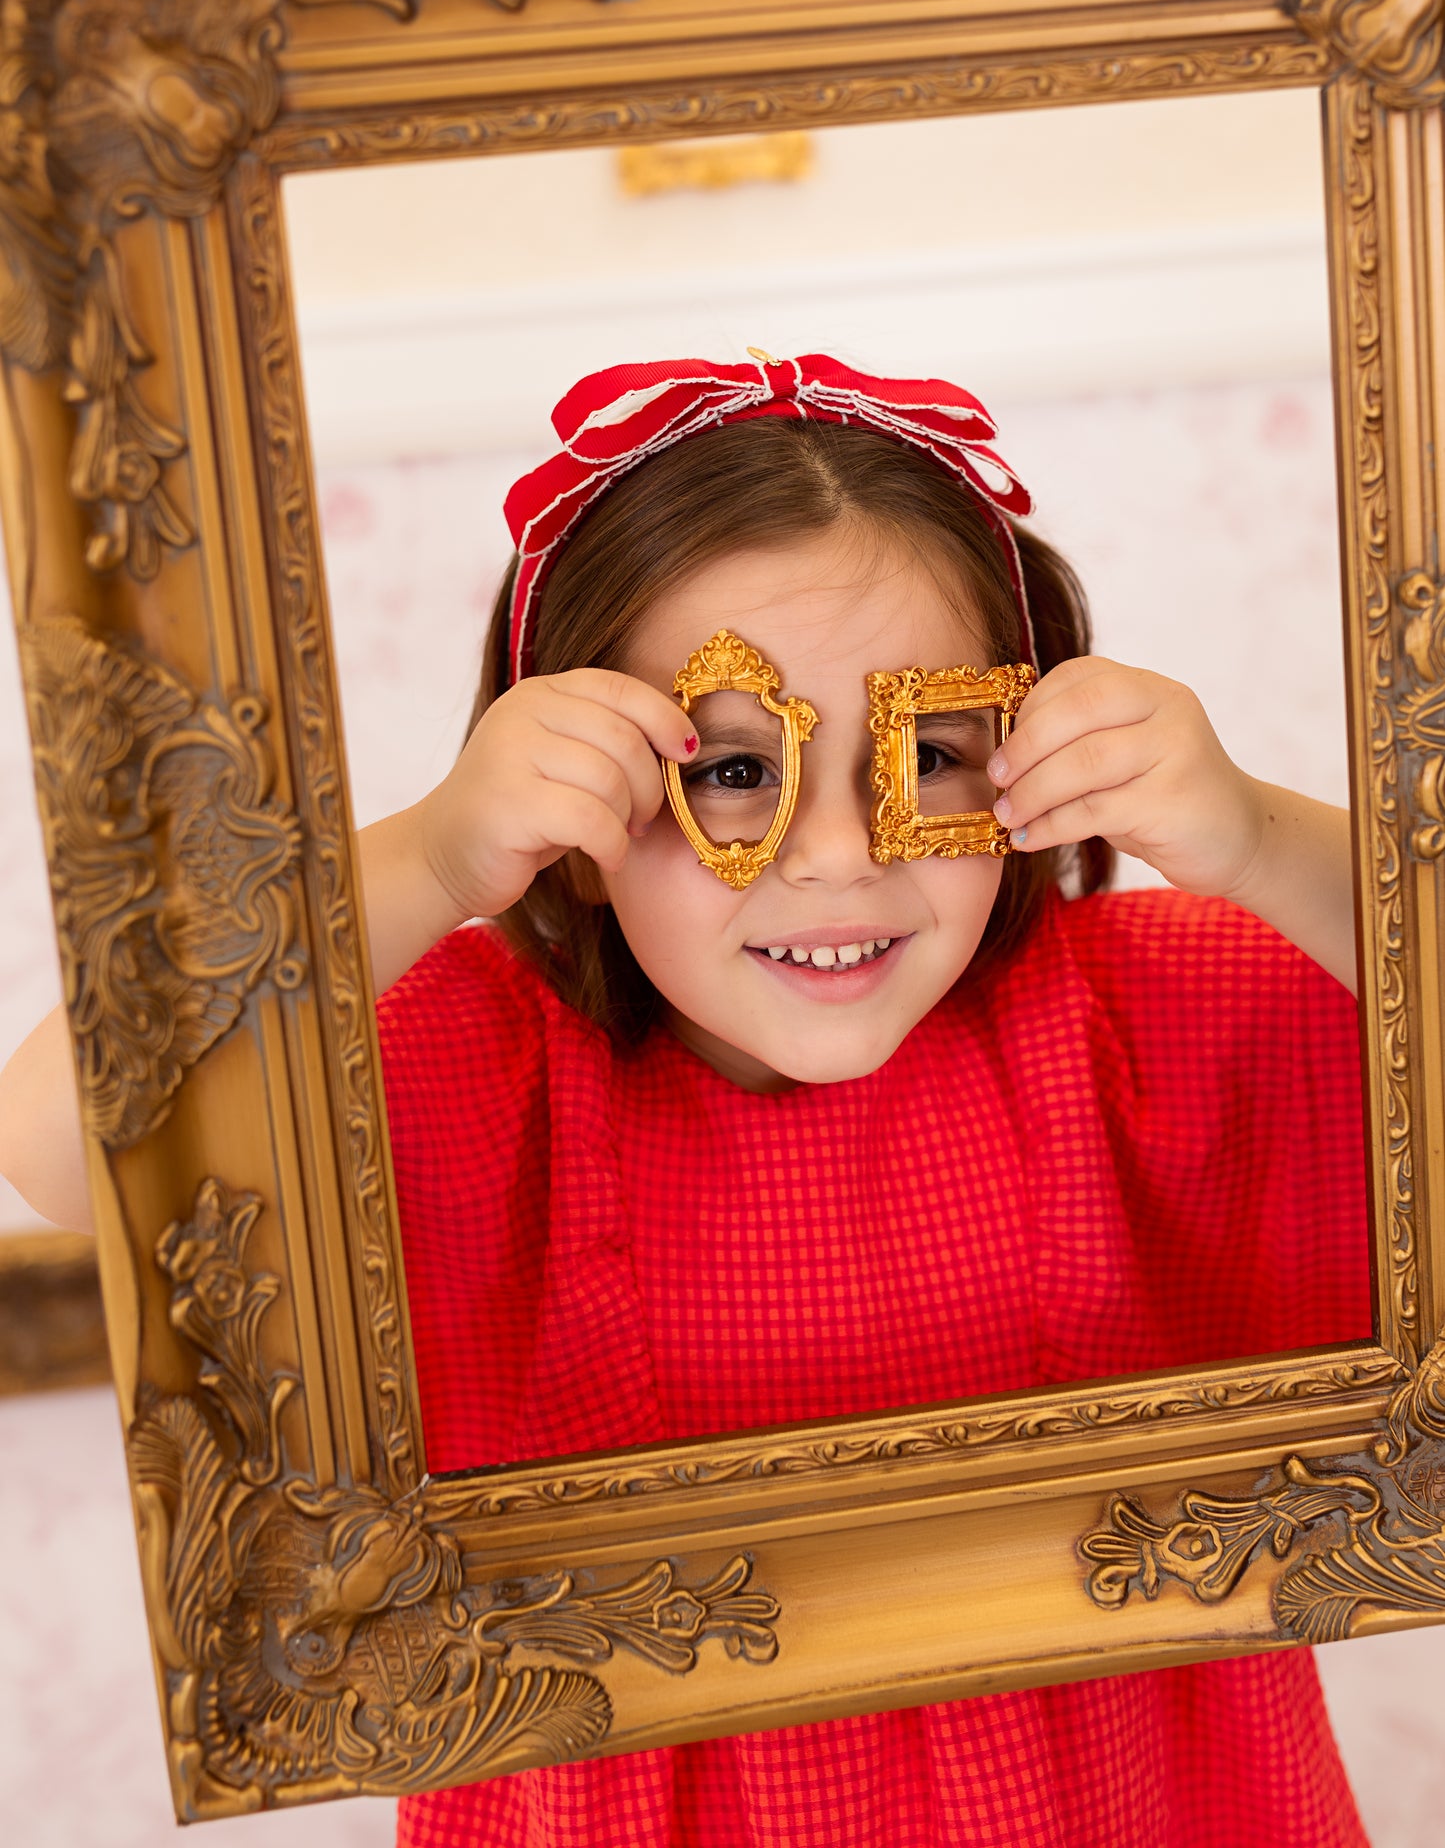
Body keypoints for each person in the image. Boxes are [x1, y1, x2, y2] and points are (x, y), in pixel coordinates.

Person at [0, 352, 1370, 1847]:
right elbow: (66, 1142)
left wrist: (1249, 832)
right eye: (731, 768)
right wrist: (429, 856)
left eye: (926, 752)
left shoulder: (1153, 1021)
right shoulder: (464, 1072)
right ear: (574, 807)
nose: (838, 853)